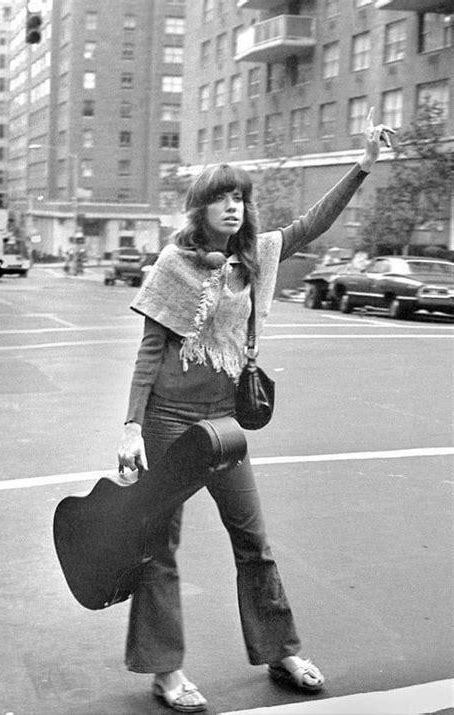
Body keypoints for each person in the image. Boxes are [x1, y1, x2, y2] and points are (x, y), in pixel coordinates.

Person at [118, 108, 394, 713]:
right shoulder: (175, 264)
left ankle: (281, 649)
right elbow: (149, 351)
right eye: (221, 198)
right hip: (167, 420)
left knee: (254, 540)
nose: (234, 207)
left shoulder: (260, 257)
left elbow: (313, 223)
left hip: (223, 422)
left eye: (240, 197)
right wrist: (133, 425)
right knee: (159, 547)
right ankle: (166, 671)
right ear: (201, 208)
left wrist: (363, 164)